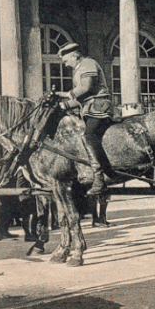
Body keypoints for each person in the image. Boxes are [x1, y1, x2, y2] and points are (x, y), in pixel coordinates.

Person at [56, 43, 115, 195]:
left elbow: (86, 88)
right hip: (90, 107)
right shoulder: (80, 67)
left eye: (66, 61)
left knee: (89, 136)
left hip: (99, 106)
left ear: (75, 56)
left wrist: (65, 94)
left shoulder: (88, 63)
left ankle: (100, 179)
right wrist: (64, 105)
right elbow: (82, 99)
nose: (66, 65)